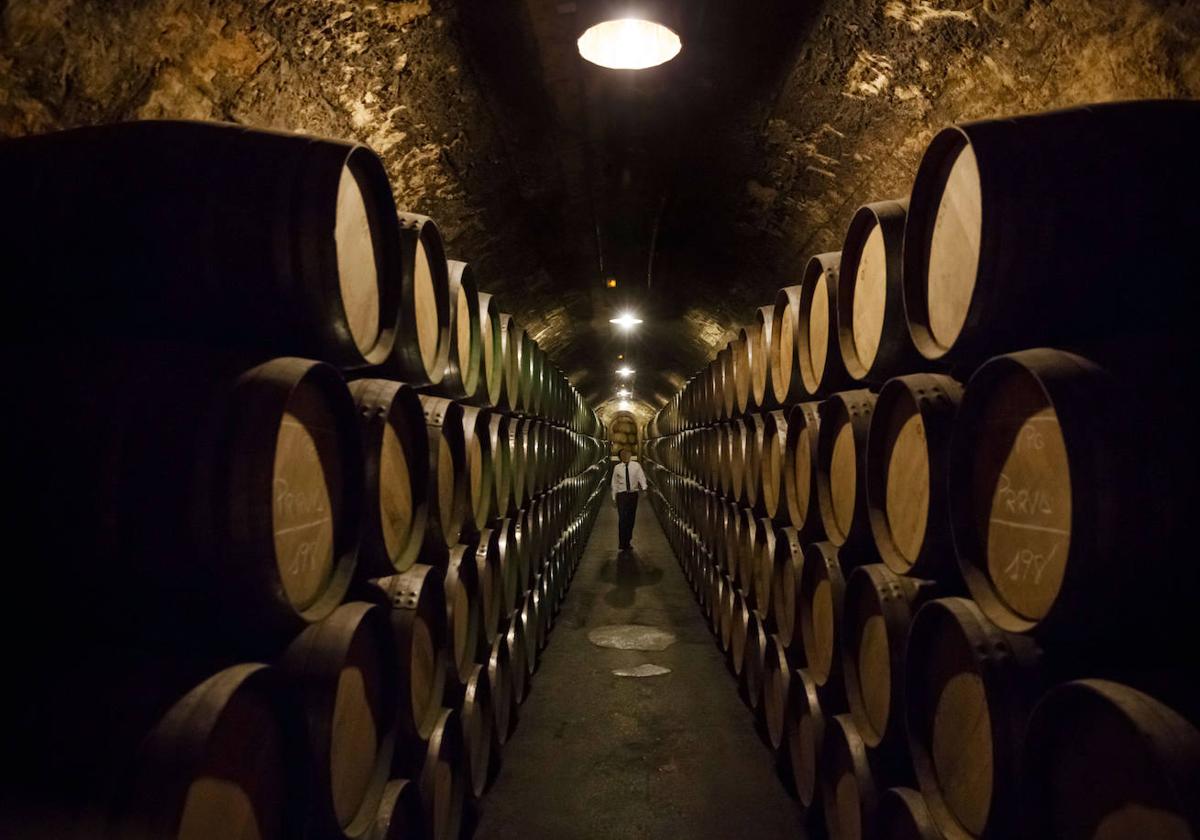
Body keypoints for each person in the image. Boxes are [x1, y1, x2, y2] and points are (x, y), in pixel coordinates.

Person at [611, 448, 647, 550]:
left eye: (627, 454)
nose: (625, 456)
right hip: (621, 495)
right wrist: (614, 497)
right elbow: (614, 483)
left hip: (633, 495)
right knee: (622, 518)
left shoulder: (636, 466)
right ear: (620, 457)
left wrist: (644, 488)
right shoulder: (617, 468)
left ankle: (628, 540)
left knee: (631, 519)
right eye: (622, 455)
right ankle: (622, 542)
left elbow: (641, 477)